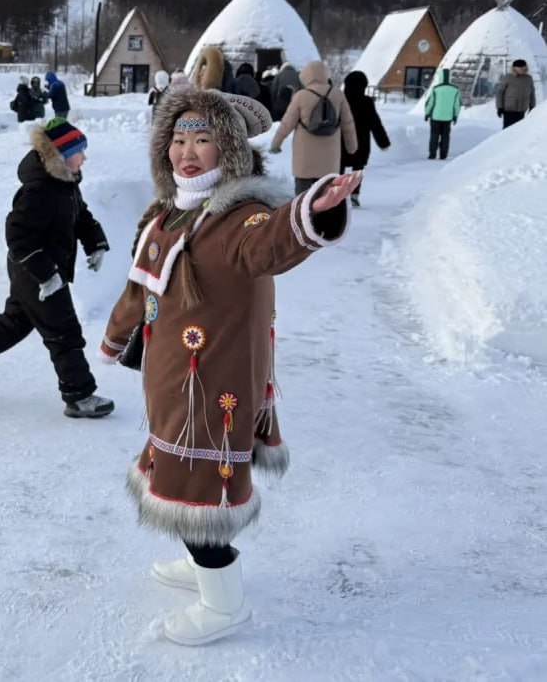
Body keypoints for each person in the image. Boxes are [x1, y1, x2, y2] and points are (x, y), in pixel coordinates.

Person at [99, 87, 357, 647]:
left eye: (204, 140)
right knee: (176, 477)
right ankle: (200, 566)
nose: (188, 152)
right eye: (179, 139)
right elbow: (138, 286)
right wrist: (116, 338)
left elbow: (272, 242)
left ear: (230, 151)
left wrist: (312, 211)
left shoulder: (240, 217)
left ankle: (224, 602)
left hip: (216, 387)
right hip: (172, 380)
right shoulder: (166, 214)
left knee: (199, 491)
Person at [0, 117, 112, 419]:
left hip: (39, 271)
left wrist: (95, 242)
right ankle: (78, 395)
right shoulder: (39, 190)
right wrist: (46, 276)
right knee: (63, 331)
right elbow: (18, 236)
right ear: (60, 153)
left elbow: (80, 215)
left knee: (13, 324)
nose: (85, 157)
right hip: (36, 272)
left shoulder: (65, 183)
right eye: (79, 151)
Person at [269, 60, 358, 195]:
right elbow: (348, 123)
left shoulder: (301, 96)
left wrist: (276, 144)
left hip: (304, 156)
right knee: (326, 194)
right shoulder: (337, 94)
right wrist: (351, 147)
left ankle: (303, 215)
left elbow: (287, 123)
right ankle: (324, 216)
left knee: (302, 196)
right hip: (330, 155)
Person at [341, 70, 390, 205]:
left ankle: (337, 193)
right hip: (361, 142)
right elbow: (375, 123)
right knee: (358, 168)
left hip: (341, 140)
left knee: (338, 167)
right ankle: (354, 195)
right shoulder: (366, 102)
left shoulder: (340, 100)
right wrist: (383, 142)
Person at [423, 68, 461, 160]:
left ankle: (432, 154)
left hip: (435, 117)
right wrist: (455, 116)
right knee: (445, 136)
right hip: (448, 118)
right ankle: (443, 154)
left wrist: (427, 113)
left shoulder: (436, 89)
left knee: (434, 136)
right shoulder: (455, 90)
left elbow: (430, 102)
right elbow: (457, 105)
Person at [495, 59, 537, 128]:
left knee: (519, 131)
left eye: (523, 67)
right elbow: (499, 93)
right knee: (508, 129)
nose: (522, 69)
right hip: (509, 110)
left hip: (522, 110)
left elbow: (532, 93)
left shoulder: (528, 78)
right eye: (519, 67)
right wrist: (500, 107)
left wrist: (532, 106)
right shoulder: (508, 77)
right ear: (514, 68)